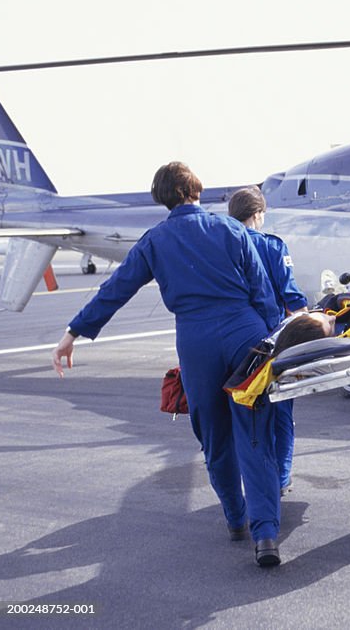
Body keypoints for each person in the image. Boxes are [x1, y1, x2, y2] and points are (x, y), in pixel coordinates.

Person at [51, 162, 285, 567]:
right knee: (255, 434)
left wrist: (75, 331)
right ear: (194, 190)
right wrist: (270, 345)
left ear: (163, 197)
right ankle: (265, 535)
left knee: (214, 436)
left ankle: (235, 517)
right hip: (244, 334)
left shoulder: (155, 241)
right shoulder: (231, 229)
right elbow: (263, 293)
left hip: (196, 342)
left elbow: (117, 288)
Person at [228, 186, 308, 497]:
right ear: (258, 215)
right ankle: (281, 477)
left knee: (245, 414)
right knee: (281, 411)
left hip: (233, 340)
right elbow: (290, 295)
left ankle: (253, 480)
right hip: (270, 341)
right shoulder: (272, 246)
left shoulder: (222, 246)